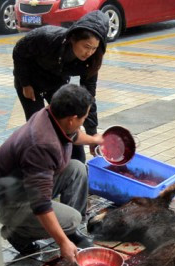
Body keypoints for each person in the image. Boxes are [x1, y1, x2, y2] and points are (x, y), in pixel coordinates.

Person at [0, 84, 103, 262]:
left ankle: (70, 231)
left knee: (77, 168)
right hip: (8, 201)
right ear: (72, 119)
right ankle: (18, 234)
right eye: (84, 118)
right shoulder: (42, 145)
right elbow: (41, 204)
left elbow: (73, 135)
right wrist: (62, 242)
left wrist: (95, 139)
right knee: (72, 218)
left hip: (22, 185)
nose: (83, 122)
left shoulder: (53, 115)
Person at [12, 10, 108, 163]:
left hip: (56, 82)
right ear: (73, 39)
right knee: (39, 127)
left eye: (94, 48)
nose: (89, 52)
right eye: (86, 46)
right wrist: (25, 83)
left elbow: (88, 99)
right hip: (29, 79)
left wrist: (92, 135)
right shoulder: (47, 37)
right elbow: (19, 51)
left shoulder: (92, 61)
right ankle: (43, 163)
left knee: (69, 123)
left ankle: (78, 164)